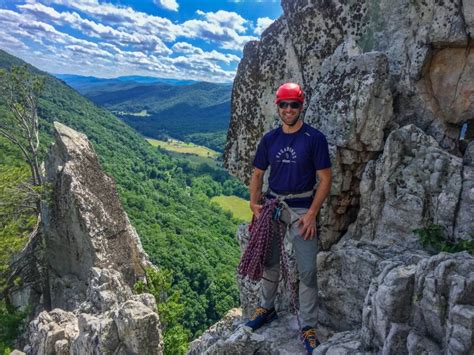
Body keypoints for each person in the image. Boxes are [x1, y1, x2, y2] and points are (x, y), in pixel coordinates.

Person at [245, 82, 332, 354]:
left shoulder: (314, 138)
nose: (289, 109)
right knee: (270, 262)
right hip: (273, 206)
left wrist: (312, 214)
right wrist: (254, 204)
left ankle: (308, 327)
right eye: (284, 104)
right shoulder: (270, 139)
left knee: (307, 270)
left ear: (301, 106)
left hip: (302, 210)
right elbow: (258, 174)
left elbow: (325, 178)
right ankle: (266, 308)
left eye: (294, 104)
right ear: (278, 106)